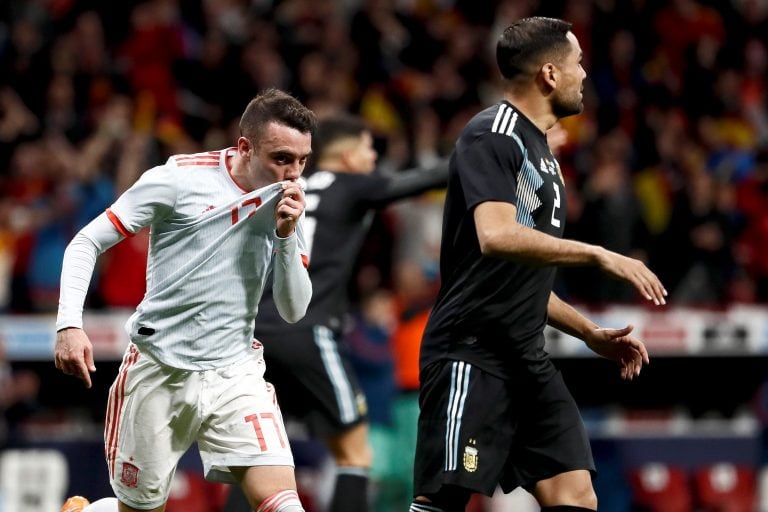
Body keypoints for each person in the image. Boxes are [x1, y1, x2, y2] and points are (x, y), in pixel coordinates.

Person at [409, 17, 667, 512]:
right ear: (549, 74)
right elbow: (495, 236)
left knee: (574, 494)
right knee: (443, 503)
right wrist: (597, 253)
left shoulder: (541, 152)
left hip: (526, 358)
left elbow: (519, 279)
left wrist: (589, 332)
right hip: (473, 352)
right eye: (578, 63)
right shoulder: (491, 134)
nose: (585, 74)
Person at [54, 88, 316, 512]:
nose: (293, 174)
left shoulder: (287, 204)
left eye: (302, 160)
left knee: (285, 505)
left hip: (235, 373)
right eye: (282, 158)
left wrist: (286, 236)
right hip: (160, 369)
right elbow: (86, 242)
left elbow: (293, 309)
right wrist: (69, 323)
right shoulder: (178, 180)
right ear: (245, 148)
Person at [224, 113, 447, 512]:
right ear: (346, 155)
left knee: (259, 455)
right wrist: (495, 151)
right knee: (354, 452)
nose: (373, 158)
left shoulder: (282, 187)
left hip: (255, 333)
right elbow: (423, 180)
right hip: (309, 330)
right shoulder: (350, 184)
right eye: (367, 148)